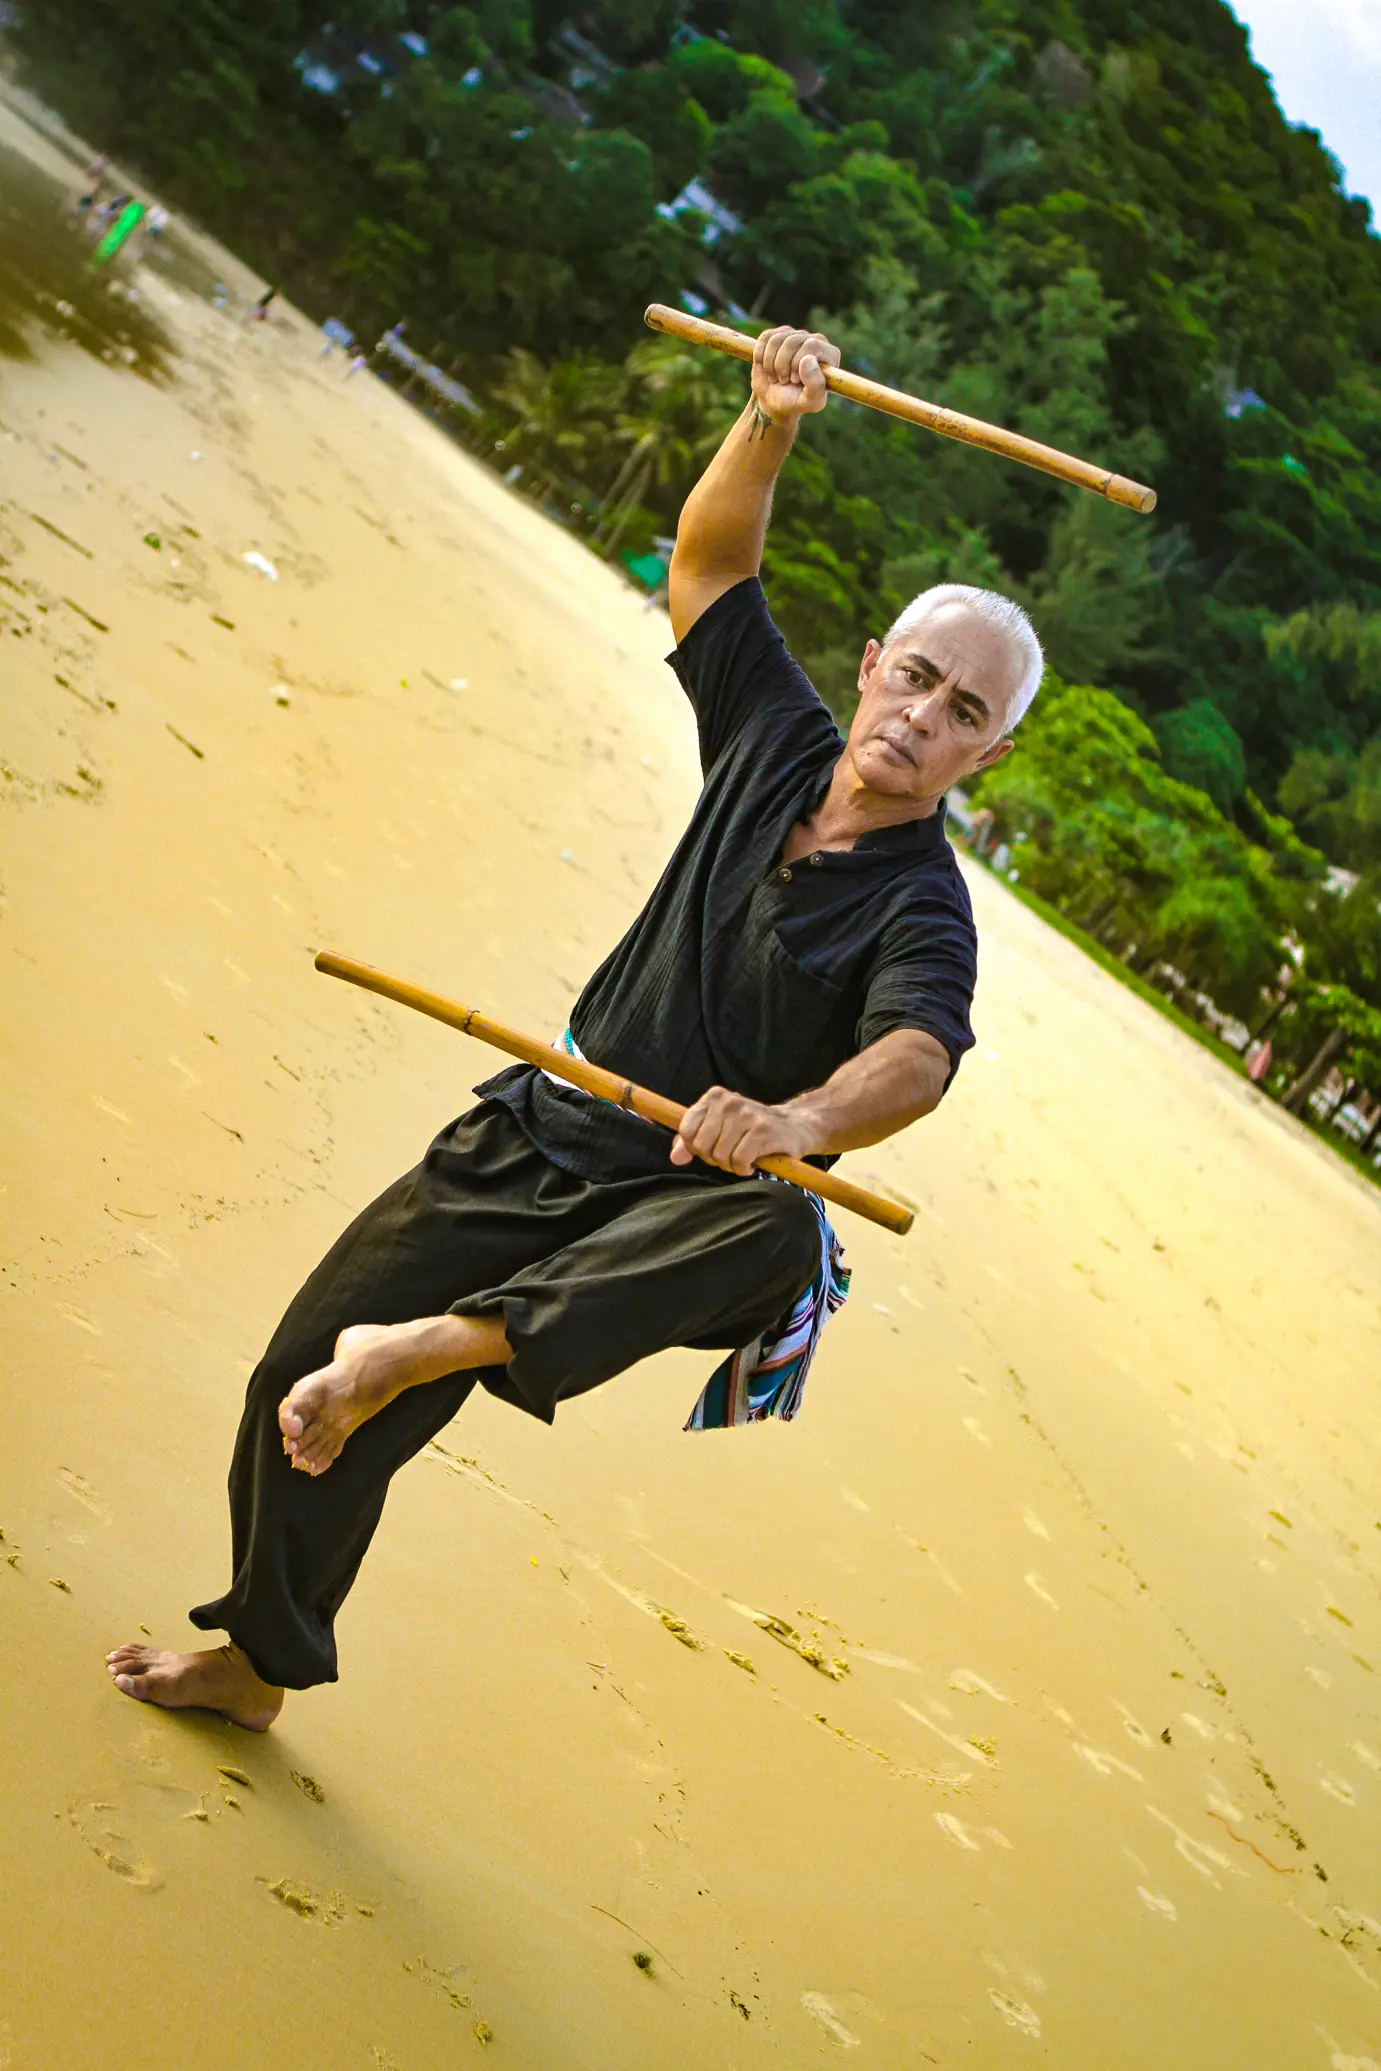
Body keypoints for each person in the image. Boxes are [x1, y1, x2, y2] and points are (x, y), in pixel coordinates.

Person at [106, 324, 1044, 1732]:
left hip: (672, 1216)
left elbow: (918, 1051)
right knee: (299, 1379)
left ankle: (436, 1343)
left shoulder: (926, 905)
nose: (923, 714)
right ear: (871, 665)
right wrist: (771, 419)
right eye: (915, 675)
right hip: (544, 1121)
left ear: (990, 753)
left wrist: (793, 1123)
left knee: (786, 1228)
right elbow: (714, 566)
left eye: (964, 709)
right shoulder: (776, 737)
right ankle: (260, 1657)